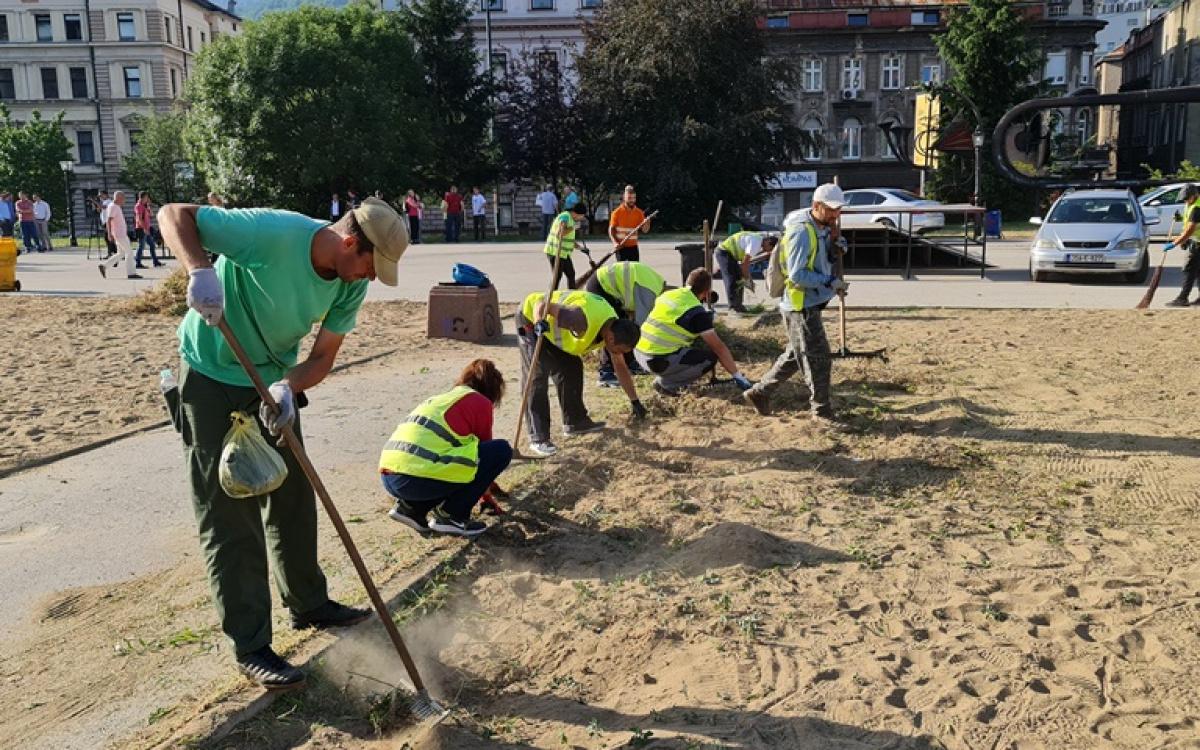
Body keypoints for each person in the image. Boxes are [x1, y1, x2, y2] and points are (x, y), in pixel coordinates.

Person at [158, 195, 410, 691]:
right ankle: (251, 644)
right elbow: (174, 216)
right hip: (210, 375)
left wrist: (287, 387)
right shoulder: (273, 234)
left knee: (293, 492)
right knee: (230, 513)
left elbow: (322, 358)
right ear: (350, 240)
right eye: (369, 264)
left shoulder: (347, 285)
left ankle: (308, 602)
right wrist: (199, 272)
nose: (370, 277)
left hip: (270, 383)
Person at [742, 184, 849, 425]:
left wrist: (838, 245)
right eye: (831, 210)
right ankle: (822, 411)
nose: (835, 215)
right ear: (816, 206)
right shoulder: (801, 232)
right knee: (819, 358)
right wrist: (831, 281)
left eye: (838, 210)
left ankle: (759, 393)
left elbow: (823, 254)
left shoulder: (822, 226)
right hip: (800, 305)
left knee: (796, 354)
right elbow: (798, 275)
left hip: (811, 301)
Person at [381, 358, 513, 538]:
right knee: (501, 450)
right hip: (417, 478)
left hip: (391, 476)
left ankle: (411, 509)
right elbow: (484, 461)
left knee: (445, 464)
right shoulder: (480, 402)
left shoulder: (443, 398)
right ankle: (452, 516)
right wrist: (486, 497)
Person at [516, 289, 644, 457]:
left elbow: (620, 367)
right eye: (620, 350)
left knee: (572, 367)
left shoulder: (614, 327)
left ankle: (575, 422)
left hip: (555, 331)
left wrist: (635, 402)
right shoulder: (579, 319)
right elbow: (542, 304)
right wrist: (539, 322)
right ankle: (538, 438)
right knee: (537, 375)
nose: (619, 353)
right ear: (611, 339)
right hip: (532, 319)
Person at [636, 269, 754, 396]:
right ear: (706, 293)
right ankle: (667, 384)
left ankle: (673, 377)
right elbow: (719, 348)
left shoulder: (668, 294)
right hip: (657, 361)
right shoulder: (696, 313)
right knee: (709, 359)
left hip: (639, 353)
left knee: (692, 348)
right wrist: (738, 376)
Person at [585, 260, 665, 386]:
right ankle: (606, 373)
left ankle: (631, 364)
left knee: (625, 327)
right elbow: (640, 328)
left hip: (610, 288)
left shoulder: (658, 284)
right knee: (613, 329)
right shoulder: (650, 293)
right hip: (601, 286)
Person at [716, 231, 777, 313]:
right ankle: (733, 307)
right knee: (731, 279)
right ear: (768, 242)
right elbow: (744, 265)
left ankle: (739, 306)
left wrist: (746, 278)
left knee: (739, 279)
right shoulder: (756, 244)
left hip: (731, 254)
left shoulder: (758, 241)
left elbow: (744, 265)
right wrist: (748, 280)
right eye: (770, 249)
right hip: (724, 252)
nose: (767, 251)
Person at [1164, 184, 1200, 307]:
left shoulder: (1197, 208)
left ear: (1194, 195)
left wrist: (1174, 243)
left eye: (1187, 198)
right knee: (1198, 271)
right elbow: (1189, 220)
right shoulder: (1191, 204)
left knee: (1190, 270)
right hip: (1196, 241)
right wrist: (1179, 218)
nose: (1185, 201)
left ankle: (1182, 298)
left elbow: (1190, 230)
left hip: (1198, 242)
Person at [543, 202, 588, 290]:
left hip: (564, 253)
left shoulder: (571, 220)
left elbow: (569, 240)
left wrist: (581, 248)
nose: (581, 219)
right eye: (581, 216)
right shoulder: (565, 217)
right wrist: (573, 227)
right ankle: (551, 296)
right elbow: (559, 234)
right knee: (557, 276)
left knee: (571, 274)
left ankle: (571, 294)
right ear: (576, 213)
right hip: (555, 251)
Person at [98, 191, 138, 279]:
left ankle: (104, 266)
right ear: (119, 198)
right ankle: (131, 273)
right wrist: (109, 233)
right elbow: (108, 221)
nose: (124, 201)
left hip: (119, 233)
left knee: (121, 253)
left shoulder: (115, 206)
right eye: (123, 199)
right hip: (120, 234)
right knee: (129, 252)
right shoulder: (113, 207)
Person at [609, 185, 650, 262]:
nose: (632, 200)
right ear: (624, 197)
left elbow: (645, 230)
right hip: (621, 247)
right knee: (623, 272)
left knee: (634, 271)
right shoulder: (616, 212)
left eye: (634, 198)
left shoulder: (639, 213)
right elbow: (611, 230)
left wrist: (647, 223)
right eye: (629, 198)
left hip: (633, 248)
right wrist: (615, 243)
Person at [135, 192, 162, 268]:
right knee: (141, 246)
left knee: (152, 245)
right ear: (143, 197)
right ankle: (137, 262)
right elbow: (139, 218)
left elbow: (151, 215)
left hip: (147, 228)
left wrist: (149, 206)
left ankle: (155, 262)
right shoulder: (139, 206)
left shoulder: (145, 206)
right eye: (147, 197)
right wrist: (144, 228)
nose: (148, 199)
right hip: (141, 229)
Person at [98, 191, 117, 258]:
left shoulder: (109, 201)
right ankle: (113, 252)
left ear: (106, 195)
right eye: (99, 196)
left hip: (108, 223)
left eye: (101, 195)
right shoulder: (104, 202)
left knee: (108, 238)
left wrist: (94, 201)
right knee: (107, 238)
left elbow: (104, 207)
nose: (100, 197)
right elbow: (100, 209)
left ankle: (112, 252)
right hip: (104, 222)